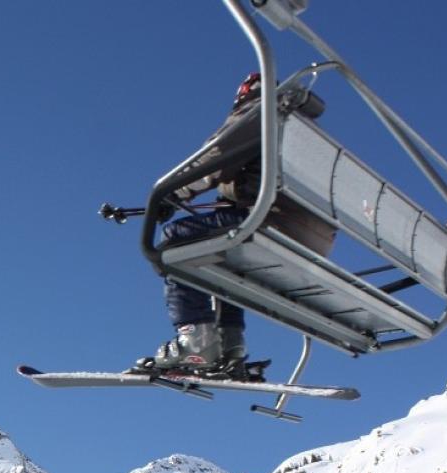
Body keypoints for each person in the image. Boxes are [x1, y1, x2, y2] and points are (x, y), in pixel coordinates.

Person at [138, 72, 332, 375]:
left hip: (267, 222)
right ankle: (231, 345)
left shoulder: (264, 111)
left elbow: (215, 157)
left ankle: (197, 342)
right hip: (308, 239)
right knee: (218, 260)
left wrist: (170, 192)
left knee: (177, 241)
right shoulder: (308, 133)